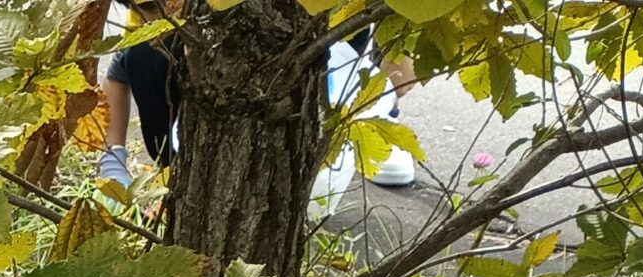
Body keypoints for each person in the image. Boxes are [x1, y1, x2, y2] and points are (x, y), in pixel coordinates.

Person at [95, 11, 416, 193]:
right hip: (180, 64)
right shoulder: (154, 38)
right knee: (145, 57)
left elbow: (400, 69)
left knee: (371, 62)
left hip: (324, 42)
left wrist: (383, 96)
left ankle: (382, 123)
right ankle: (174, 179)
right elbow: (121, 68)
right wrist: (114, 155)